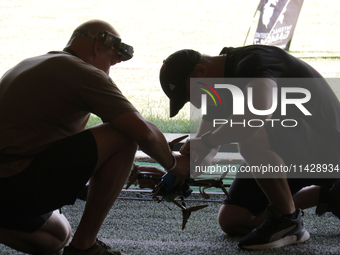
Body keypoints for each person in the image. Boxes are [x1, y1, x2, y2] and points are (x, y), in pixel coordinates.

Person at [0, 19, 189, 255]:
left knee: (56, 237)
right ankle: (85, 248)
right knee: (123, 135)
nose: (109, 69)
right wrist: (174, 164)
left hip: (9, 179)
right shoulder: (82, 72)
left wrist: (123, 171)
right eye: (111, 60)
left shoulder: (33, 63)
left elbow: (41, 143)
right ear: (98, 47)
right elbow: (142, 131)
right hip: (13, 182)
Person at [159, 45, 340, 250]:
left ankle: (287, 221)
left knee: (249, 131)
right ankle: (330, 195)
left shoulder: (255, 61)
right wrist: (178, 168)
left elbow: (257, 113)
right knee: (233, 219)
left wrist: (207, 142)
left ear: (201, 71)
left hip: (329, 150)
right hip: (291, 153)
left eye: (190, 95)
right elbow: (204, 147)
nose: (196, 104)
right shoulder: (216, 88)